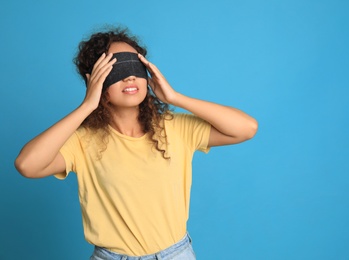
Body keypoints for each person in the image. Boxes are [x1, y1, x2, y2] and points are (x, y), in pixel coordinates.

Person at [14, 26, 258, 260]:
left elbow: (247, 128)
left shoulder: (176, 127)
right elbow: (27, 165)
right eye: (115, 68)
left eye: (135, 65)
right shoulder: (82, 141)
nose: (129, 75)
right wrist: (87, 104)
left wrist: (176, 97)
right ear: (94, 80)